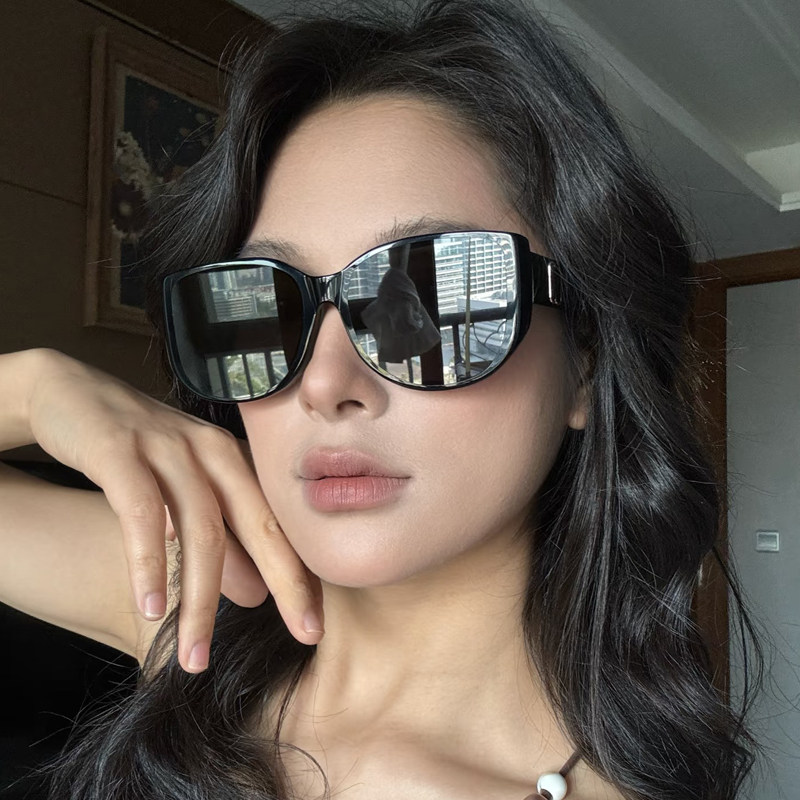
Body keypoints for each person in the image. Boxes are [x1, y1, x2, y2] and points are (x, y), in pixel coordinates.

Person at [0, 1, 760, 798]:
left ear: (584, 366)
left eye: (428, 300)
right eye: (267, 305)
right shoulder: (198, 611)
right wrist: (36, 388)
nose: (324, 384)